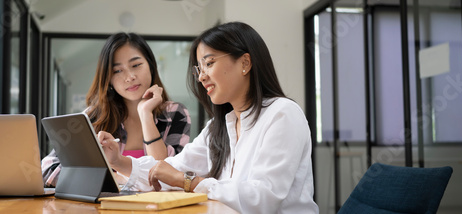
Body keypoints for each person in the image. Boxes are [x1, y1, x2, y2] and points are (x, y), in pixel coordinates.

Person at [98, 22, 318, 213]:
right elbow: (172, 169)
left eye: (209, 63)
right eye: (199, 68)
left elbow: (261, 200)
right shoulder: (219, 126)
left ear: (245, 63)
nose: (202, 77)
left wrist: (188, 182)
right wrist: (118, 161)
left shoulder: (282, 114)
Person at [41, 32, 191, 188]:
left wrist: (145, 114)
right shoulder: (94, 117)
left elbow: (169, 176)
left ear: (151, 66)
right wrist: (115, 178)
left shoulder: (176, 113)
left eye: (136, 65)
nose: (129, 77)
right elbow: (47, 168)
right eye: (117, 71)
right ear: (109, 79)